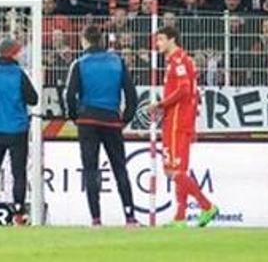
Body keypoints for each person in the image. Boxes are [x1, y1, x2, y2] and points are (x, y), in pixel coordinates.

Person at [63, 25, 138, 226]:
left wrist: (74, 116)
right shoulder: (117, 62)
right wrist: (125, 119)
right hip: (112, 120)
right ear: (102, 40)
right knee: (120, 168)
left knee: (91, 169)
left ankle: (96, 218)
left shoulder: (79, 63)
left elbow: (69, 95)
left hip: (88, 121)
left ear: (83, 40)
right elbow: (131, 94)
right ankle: (130, 215)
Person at [151, 25, 219, 228]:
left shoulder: (179, 60)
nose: (158, 43)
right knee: (178, 170)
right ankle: (180, 217)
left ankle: (207, 206)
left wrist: (160, 105)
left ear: (172, 39)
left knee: (174, 171)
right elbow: (193, 93)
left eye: (161, 39)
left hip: (177, 121)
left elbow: (184, 89)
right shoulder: (180, 60)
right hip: (180, 120)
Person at [0, 36, 39, 226]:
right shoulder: (18, 73)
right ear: (13, 53)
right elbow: (33, 99)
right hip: (16, 129)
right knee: (18, 173)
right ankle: (18, 214)